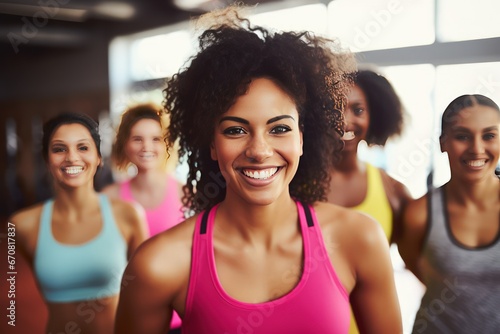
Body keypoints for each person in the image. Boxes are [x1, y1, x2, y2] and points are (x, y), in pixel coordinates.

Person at [115, 6, 402, 334]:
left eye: (279, 129)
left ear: (303, 138)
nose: (259, 151)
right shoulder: (159, 263)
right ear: (211, 144)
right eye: (235, 130)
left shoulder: (359, 239)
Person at [10, 112, 148, 334]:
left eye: (83, 147)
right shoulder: (20, 225)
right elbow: (12, 304)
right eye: (59, 149)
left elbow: (145, 294)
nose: (72, 157)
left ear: (99, 157)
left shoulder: (128, 215)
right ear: (47, 160)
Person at [398, 94, 500, 333]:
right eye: (462, 136)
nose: (477, 148)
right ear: (443, 143)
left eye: (489, 136)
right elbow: (418, 268)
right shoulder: (419, 214)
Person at [326, 69, 413, 333]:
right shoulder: (293, 186)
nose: (345, 121)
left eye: (358, 110)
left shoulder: (393, 192)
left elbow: (428, 264)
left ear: (374, 116)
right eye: (335, 109)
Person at [101, 103, 184, 332]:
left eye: (156, 139)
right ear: (125, 144)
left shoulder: (187, 194)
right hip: (131, 313)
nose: (146, 146)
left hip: (178, 317)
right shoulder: (108, 198)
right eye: (137, 138)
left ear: (166, 144)